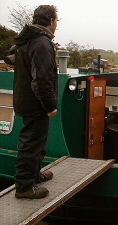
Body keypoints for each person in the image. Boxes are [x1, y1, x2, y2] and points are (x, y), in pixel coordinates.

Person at [13, 5, 59, 199]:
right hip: (35, 104)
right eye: (57, 20)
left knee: (38, 141)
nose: (57, 25)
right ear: (50, 21)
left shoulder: (30, 39)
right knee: (31, 143)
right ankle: (24, 186)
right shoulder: (40, 42)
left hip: (28, 100)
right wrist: (49, 105)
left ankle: (34, 175)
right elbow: (41, 78)